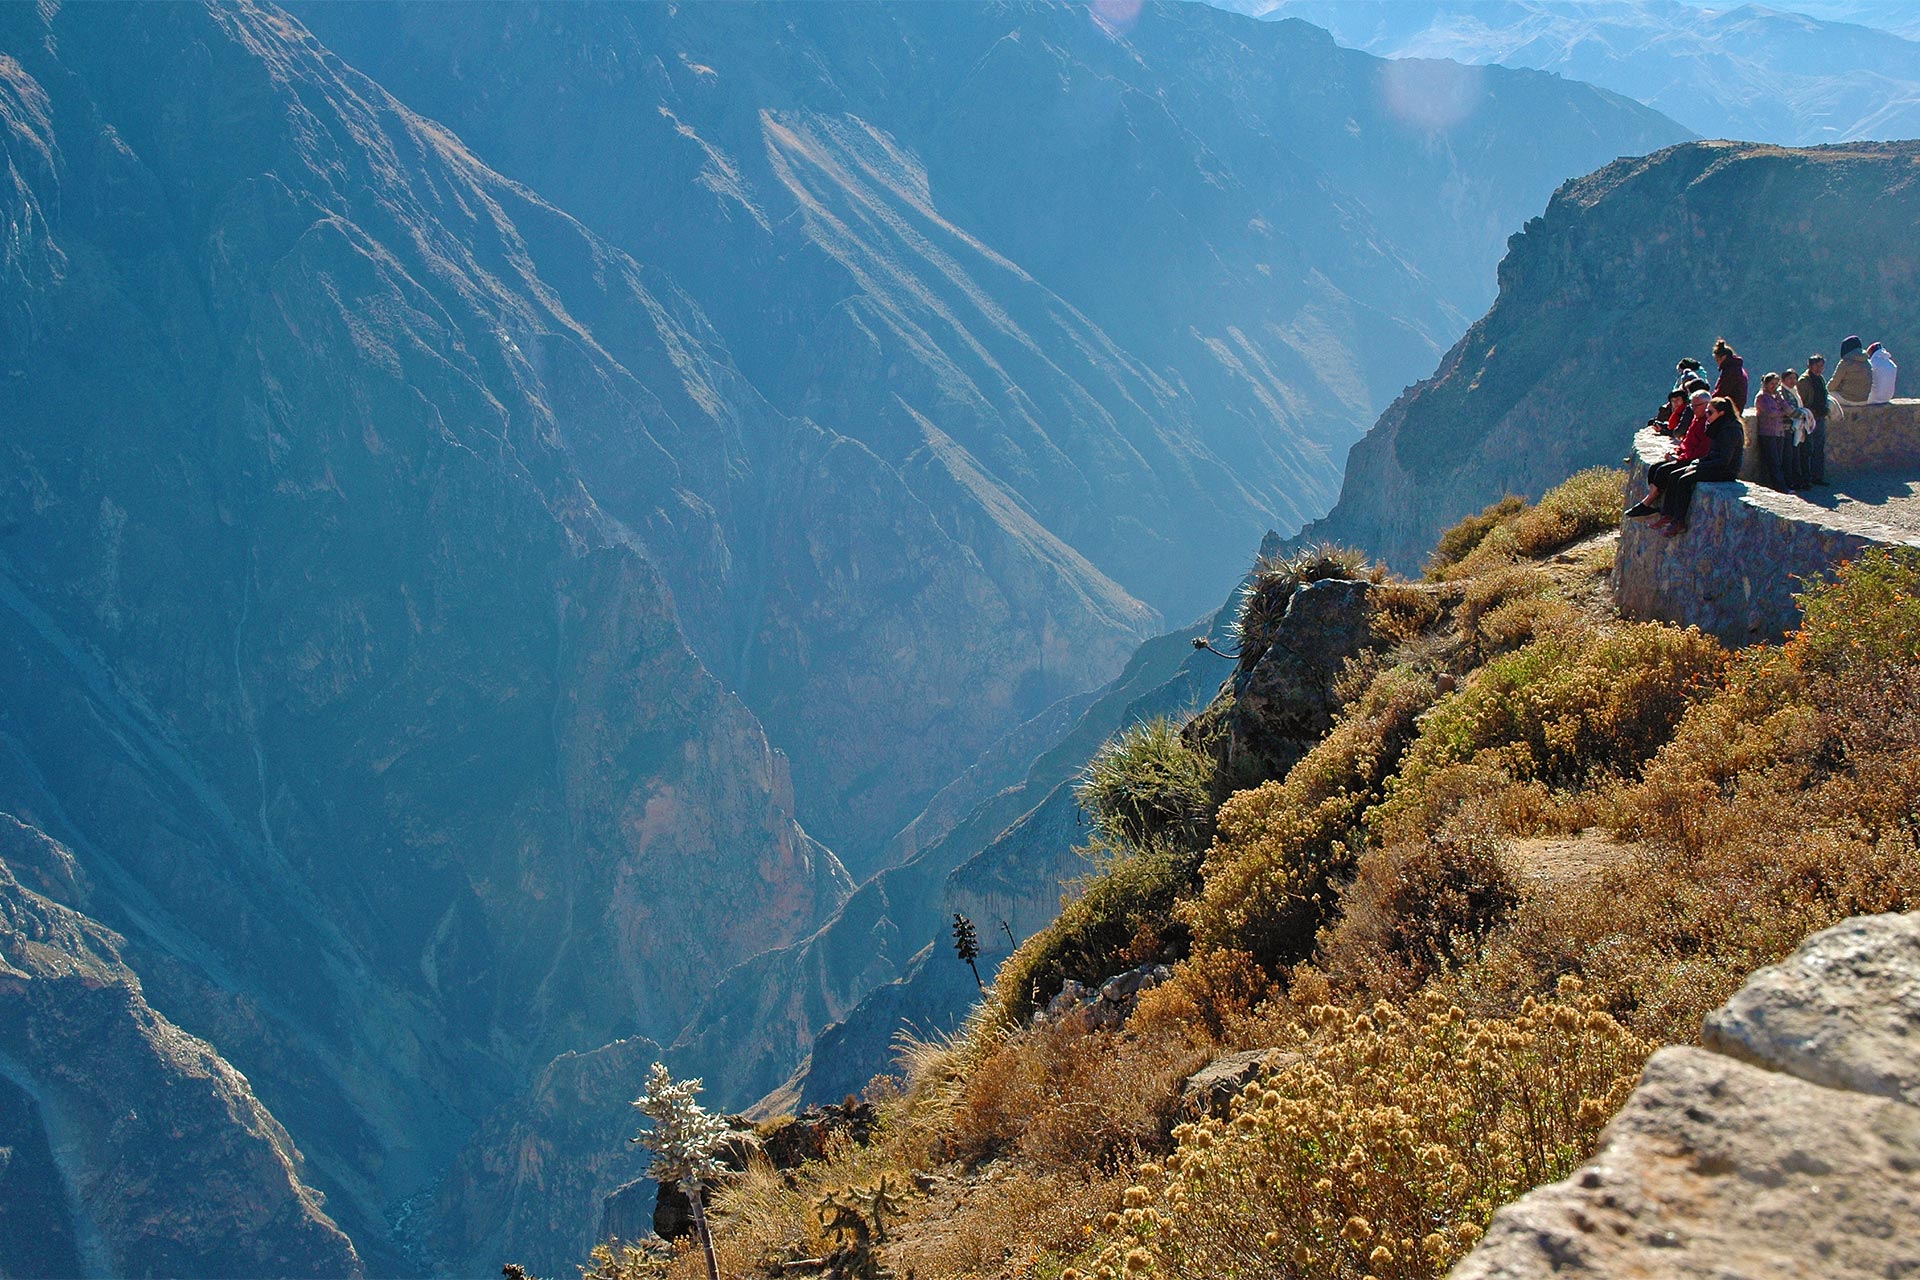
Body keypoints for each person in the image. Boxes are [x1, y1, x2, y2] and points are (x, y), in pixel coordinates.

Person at [1651, 395, 1744, 537]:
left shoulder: (1730, 430)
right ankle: (1668, 515)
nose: (1707, 415)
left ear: (1722, 413)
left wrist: (1700, 466)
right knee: (1674, 474)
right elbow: (1712, 453)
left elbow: (1724, 460)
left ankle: (1679, 521)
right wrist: (1697, 463)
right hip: (1713, 464)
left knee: (1684, 480)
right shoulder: (1718, 426)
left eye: (1710, 412)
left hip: (1725, 471)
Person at [1626, 388, 1712, 517]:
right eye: (1692, 405)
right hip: (1685, 455)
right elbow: (1687, 441)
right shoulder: (1696, 420)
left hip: (1694, 460)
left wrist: (1679, 457)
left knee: (1665, 471)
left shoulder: (1707, 423)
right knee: (1654, 468)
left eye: (1696, 406)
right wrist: (1677, 451)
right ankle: (1652, 504)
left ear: (1707, 405)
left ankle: (1648, 504)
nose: (1693, 409)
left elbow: (1702, 450)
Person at [1754, 372, 1791, 490]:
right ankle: (1780, 487)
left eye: (1776, 384)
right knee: (1773, 460)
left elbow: (1789, 410)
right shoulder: (1762, 397)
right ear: (1765, 384)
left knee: (1779, 460)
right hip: (1768, 433)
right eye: (1771, 384)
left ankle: (1776, 485)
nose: (1774, 386)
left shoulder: (1776, 398)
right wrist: (1782, 412)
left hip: (1779, 432)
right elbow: (1771, 413)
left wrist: (1780, 400)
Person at [1800, 354, 1830, 486]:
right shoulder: (1804, 381)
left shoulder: (1820, 379)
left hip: (1820, 417)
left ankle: (1818, 477)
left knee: (1819, 448)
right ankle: (1806, 477)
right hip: (1809, 418)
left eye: (1822, 366)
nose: (1820, 369)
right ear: (1810, 366)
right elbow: (1801, 402)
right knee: (1808, 448)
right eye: (1817, 366)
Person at [1779, 367, 1809, 490]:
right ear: (1783, 380)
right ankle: (1789, 481)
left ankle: (1798, 480)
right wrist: (1803, 414)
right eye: (1789, 378)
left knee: (1796, 455)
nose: (1792, 381)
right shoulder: (1782, 393)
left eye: (1794, 378)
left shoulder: (1794, 391)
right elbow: (1789, 410)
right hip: (1787, 428)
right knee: (1788, 456)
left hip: (1796, 428)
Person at [1830, 335, 1873, 403]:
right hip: (1864, 400)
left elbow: (1834, 382)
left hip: (1847, 399)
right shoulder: (1867, 362)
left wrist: (1825, 390)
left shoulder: (1845, 362)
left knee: (1826, 397)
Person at [1712, 338, 1749, 410]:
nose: (1717, 363)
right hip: (1737, 407)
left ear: (1723, 357)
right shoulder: (1736, 368)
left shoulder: (1731, 371)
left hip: (1730, 410)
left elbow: (1722, 391)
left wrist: (1710, 401)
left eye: (1717, 359)